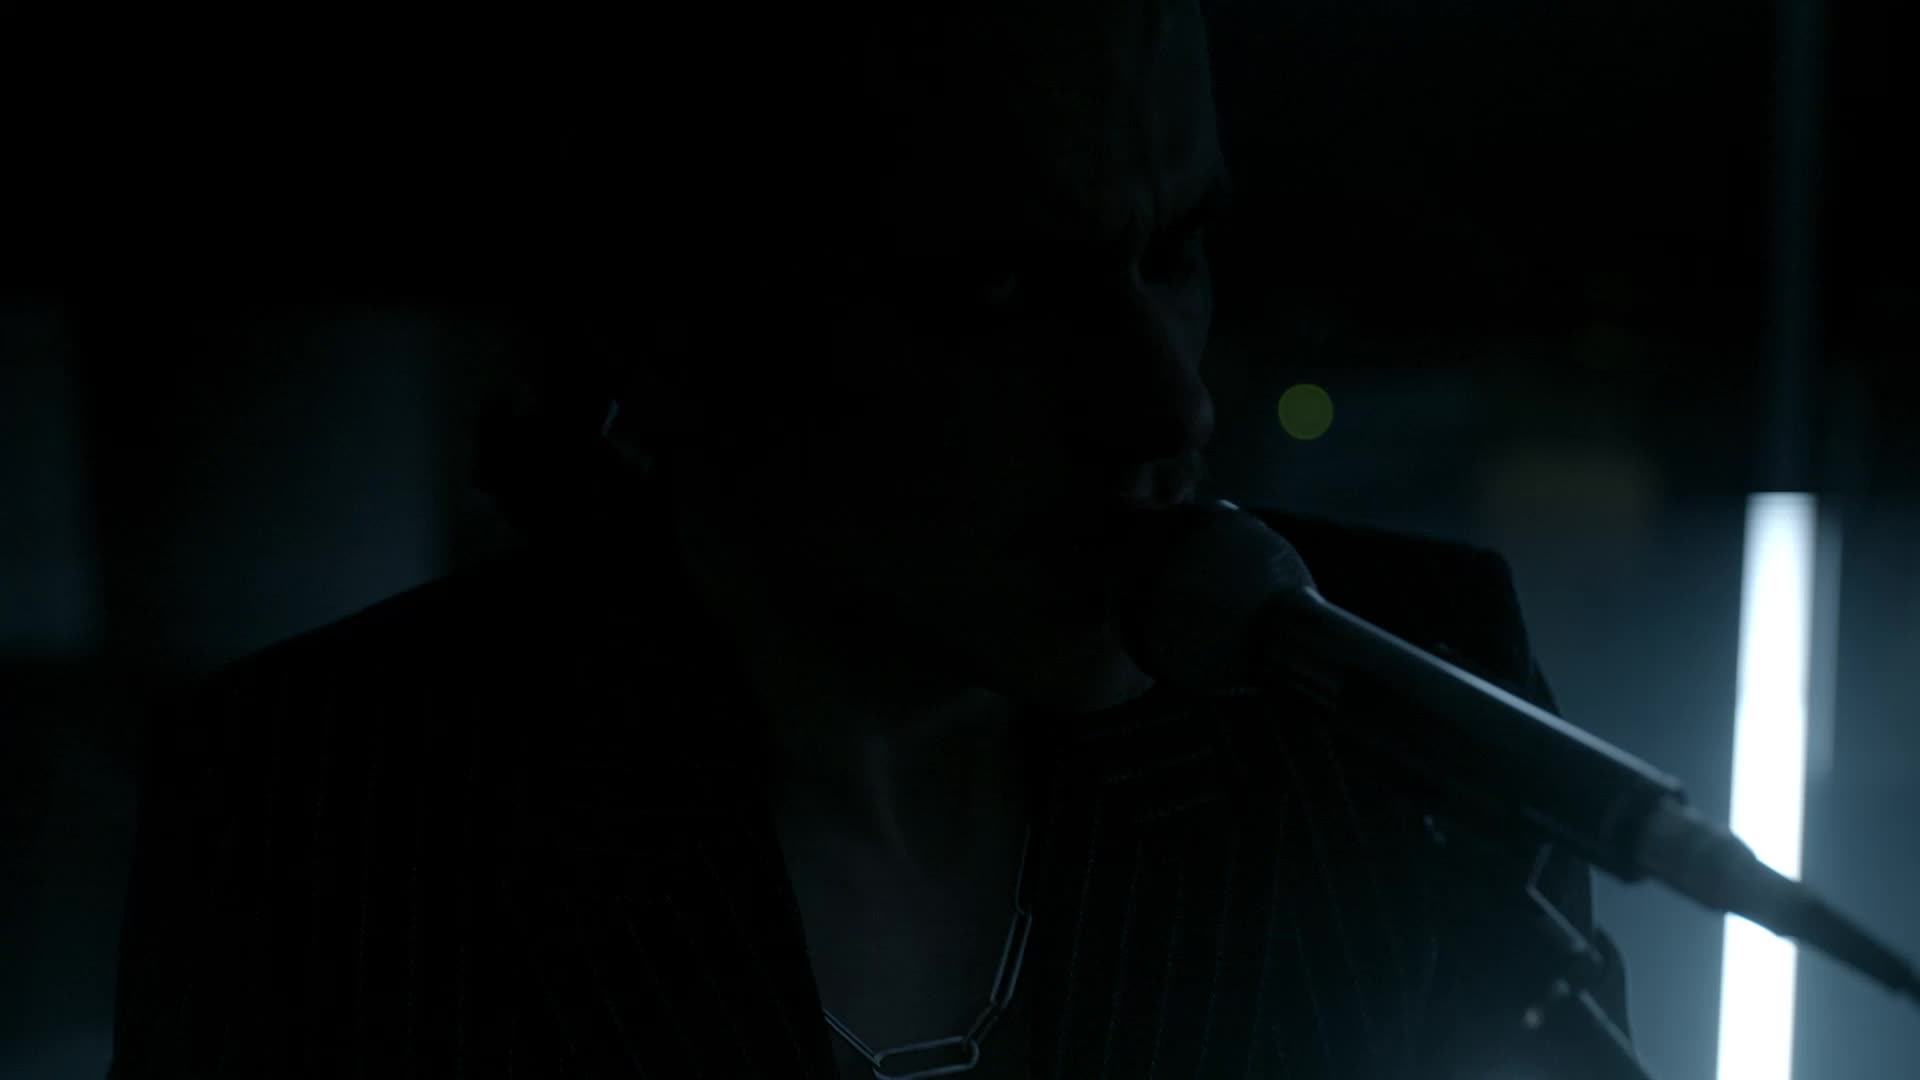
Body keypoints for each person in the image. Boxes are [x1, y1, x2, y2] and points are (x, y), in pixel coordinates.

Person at [109, 1, 1634, 1077]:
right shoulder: (330, 815)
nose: (1166, 400)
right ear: (689, 321)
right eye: (1005, 290)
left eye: (1176, 250)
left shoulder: (1392, 720)